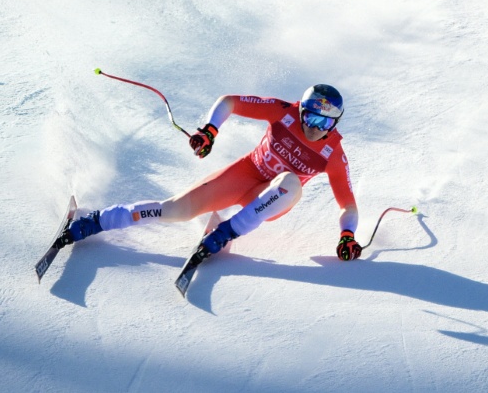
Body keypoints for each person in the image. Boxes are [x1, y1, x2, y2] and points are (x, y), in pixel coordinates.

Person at [57, 84, 363, 262]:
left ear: (335, 124)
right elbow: (229, 102)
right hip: (244, 175)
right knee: (175, 209)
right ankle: (97, 221)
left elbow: (348, 205)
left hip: (269, 199)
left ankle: (228, 231)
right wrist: (210, 130)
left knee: (291, 182)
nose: (314, 128)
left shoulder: (333, 154)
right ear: (301, 110)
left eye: (324, 123)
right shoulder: (283, 112)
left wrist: (347, 235)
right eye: (310, 118)